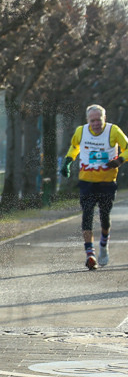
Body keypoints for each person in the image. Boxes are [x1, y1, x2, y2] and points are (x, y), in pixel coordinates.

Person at [61, 104, 128, 270]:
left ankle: (103, 246)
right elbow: (74, 147)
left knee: (104, 216)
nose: (96, 124)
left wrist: (119, 160)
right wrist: (68, 161)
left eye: (99, 120)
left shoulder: (113, 131)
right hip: (87, 182)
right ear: (87, 120)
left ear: (104, 119)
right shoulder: (81, 131)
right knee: (87, 214)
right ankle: (90, 254)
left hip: (106, 182)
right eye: (93, 121)